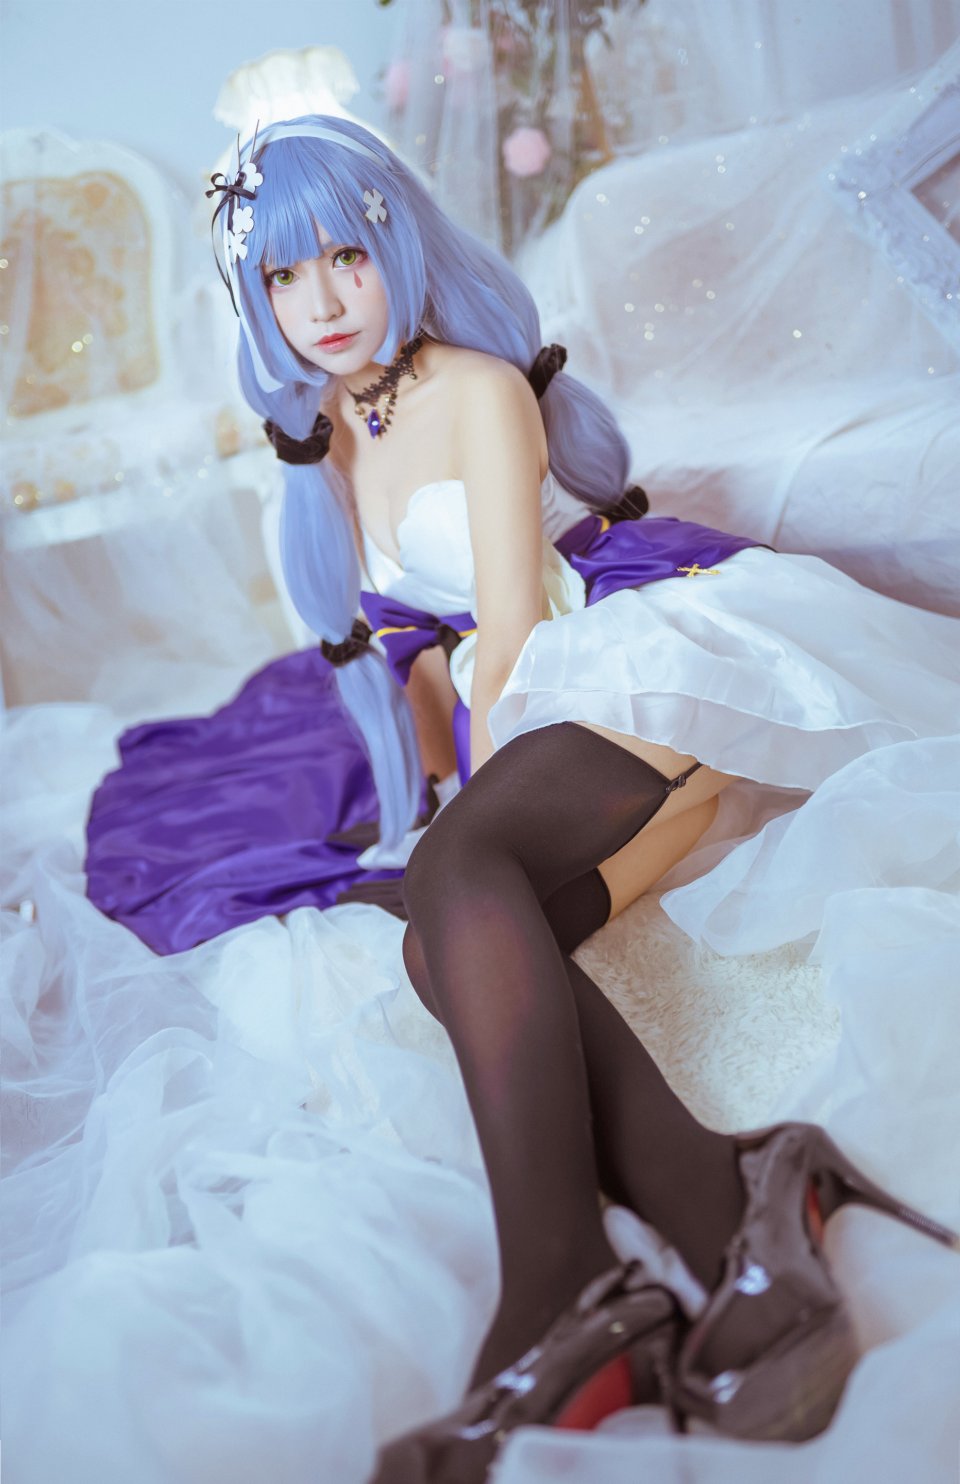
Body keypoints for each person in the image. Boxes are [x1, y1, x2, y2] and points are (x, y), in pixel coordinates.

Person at [86, 114, 958, 1482]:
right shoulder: (325, 434)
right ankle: (732, 1202)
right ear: (251, 298)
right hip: (531, 701)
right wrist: (432, 793)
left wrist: (464, 824)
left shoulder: (480, 389)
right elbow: (411, 643)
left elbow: (507, 630)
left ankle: (559, 1292)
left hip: (620, 663)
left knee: (453, 887)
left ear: (396, 245)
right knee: (442, 940)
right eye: (283, 276)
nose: (323, 302)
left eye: (345, 258)